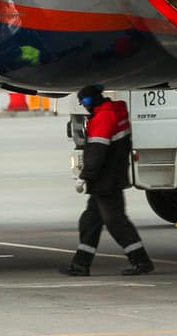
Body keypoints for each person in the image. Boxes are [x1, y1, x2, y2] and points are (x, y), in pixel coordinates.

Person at [61, 84, 154, 277]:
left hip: (106, 180)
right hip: (110, 177)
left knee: (115, 221)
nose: (84, 106)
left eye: (84, 102)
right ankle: (81, 264)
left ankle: (141, 261)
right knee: (90, 221)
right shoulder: (114, 112)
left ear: (90, 100)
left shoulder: (103, 117)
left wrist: (85, 176)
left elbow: (96, 153)